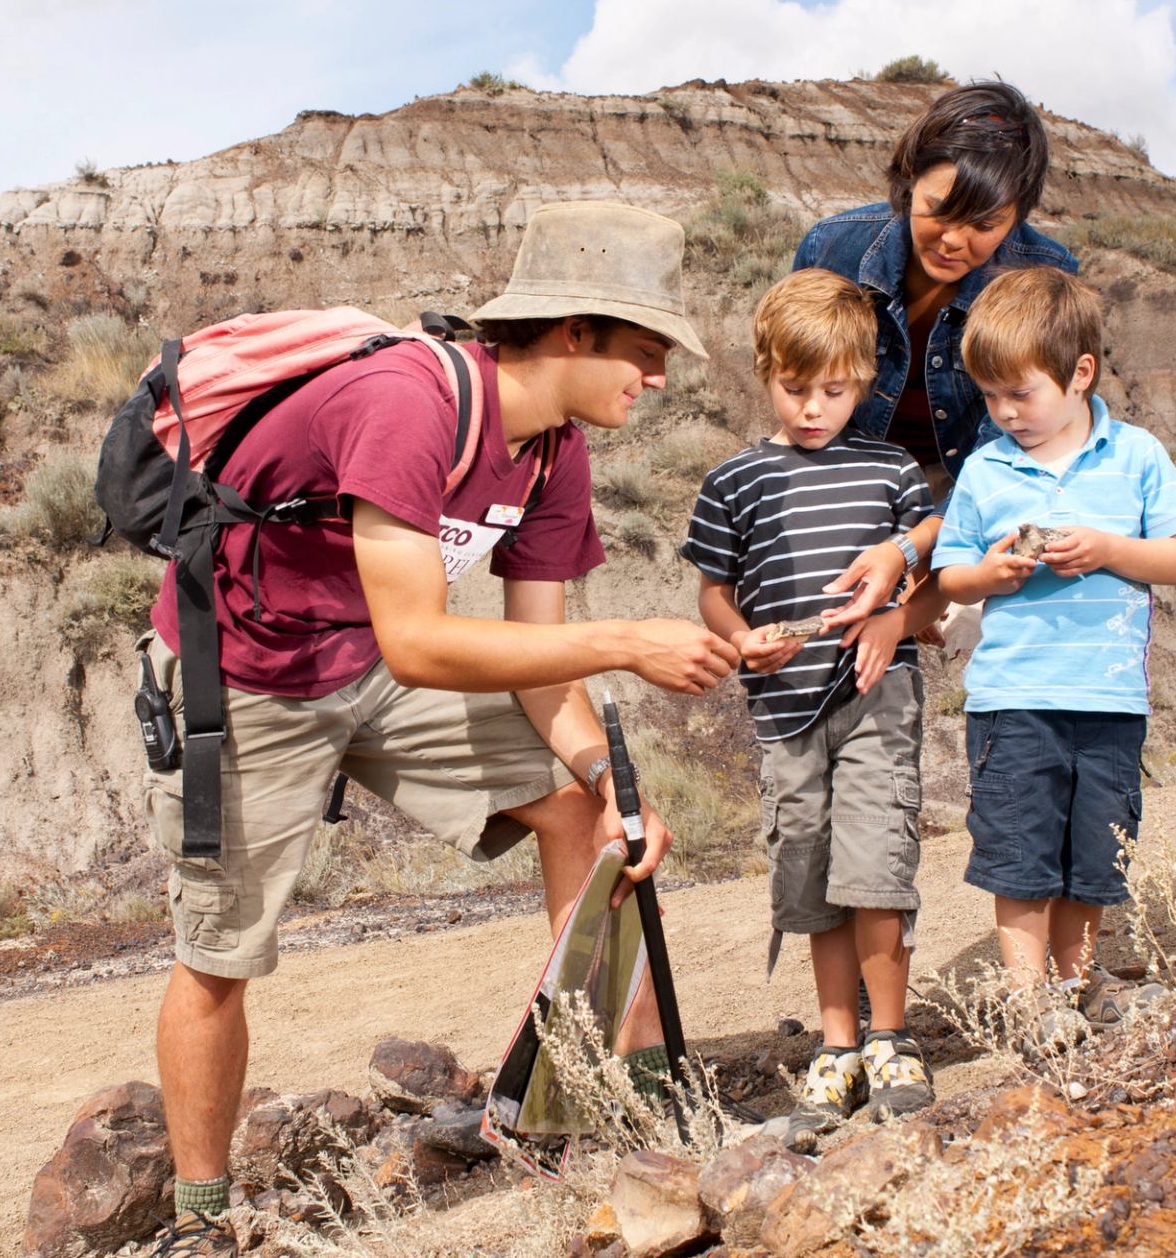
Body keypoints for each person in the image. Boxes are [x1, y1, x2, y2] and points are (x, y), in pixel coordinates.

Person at [138, 202, 740, 1256]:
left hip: (369, 658)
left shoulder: (556, 454)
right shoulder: (408, 402)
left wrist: (609, 779)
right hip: (248, 674)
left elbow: (539, 662)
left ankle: (606, 1102)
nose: (657, 380)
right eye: (646, 353)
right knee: (221, 950)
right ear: (572, 333)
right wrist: (631, 640)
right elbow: (423, 640)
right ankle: (199, 1217)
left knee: (580, 815)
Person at [679, 269, 937, 1150]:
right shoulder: (735, 481)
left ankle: (893, 1038)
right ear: (765, 372)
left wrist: (898, 602)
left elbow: (929, 559)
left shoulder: (893, 471)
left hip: (876, 697)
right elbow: (714, 593)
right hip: (784, 713)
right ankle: (838, 1047)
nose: (815, 407)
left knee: (877, 864)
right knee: (814, 879)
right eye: (796, 389)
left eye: (834, 389)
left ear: (864, 379)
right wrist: (744, 639)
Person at [918, 266, 1176, 995]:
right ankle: (1027, 996)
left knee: (1093, 858)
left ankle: (1077, 983)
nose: (1005, 411)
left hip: (1110, 701)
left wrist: (1107, 549)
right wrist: (993, 575)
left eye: (1021, 392)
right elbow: (951, 577)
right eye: (990, 396)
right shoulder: (986, 470)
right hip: (1014, 698)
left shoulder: (1137, 454)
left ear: (1080, 373)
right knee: (1019, 851)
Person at [790, 79, 1079, 634]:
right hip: (859, 467)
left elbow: (1020, 446)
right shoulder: (833, 247)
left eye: (985, 224)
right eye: (938, 210)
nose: (952, 240)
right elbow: (799, 381)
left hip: (978, 476)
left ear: (1017, 216)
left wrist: (917, 549)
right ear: (908, 182)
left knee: (966, 608)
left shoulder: (1044, 275)